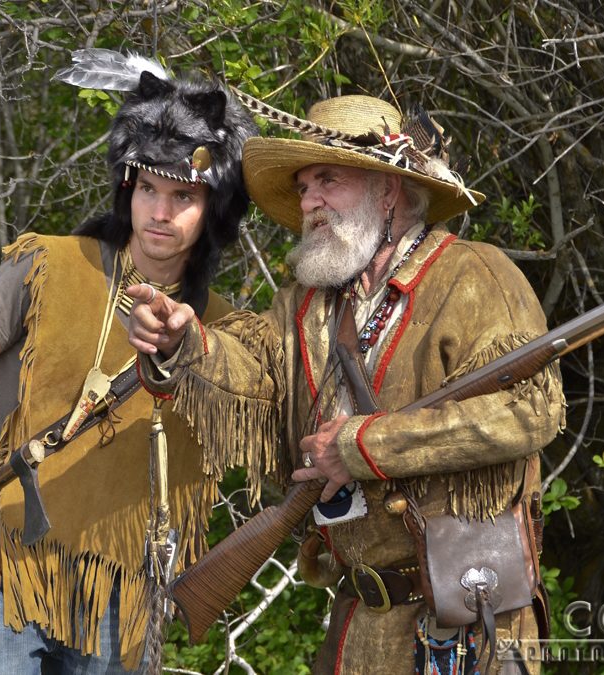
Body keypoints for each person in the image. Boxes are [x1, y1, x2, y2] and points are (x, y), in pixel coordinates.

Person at [127, 94, 565, 674]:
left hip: (470, 620)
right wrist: (185, 344)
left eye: (327, 181)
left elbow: (531, 410)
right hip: (357, 621)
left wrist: (366, 447)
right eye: (305, 187)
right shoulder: (303, 304)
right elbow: (252, 380)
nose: (309, 201)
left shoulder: (477, 277)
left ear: (388, 190)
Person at [0, 55, 257, 673]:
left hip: (122, 584)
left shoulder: (226, 332)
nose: (160, 212)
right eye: (147, 187)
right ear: (128, 186)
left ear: (215, 209)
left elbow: (259, 435)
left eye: (183, 195)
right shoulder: (46, 265)